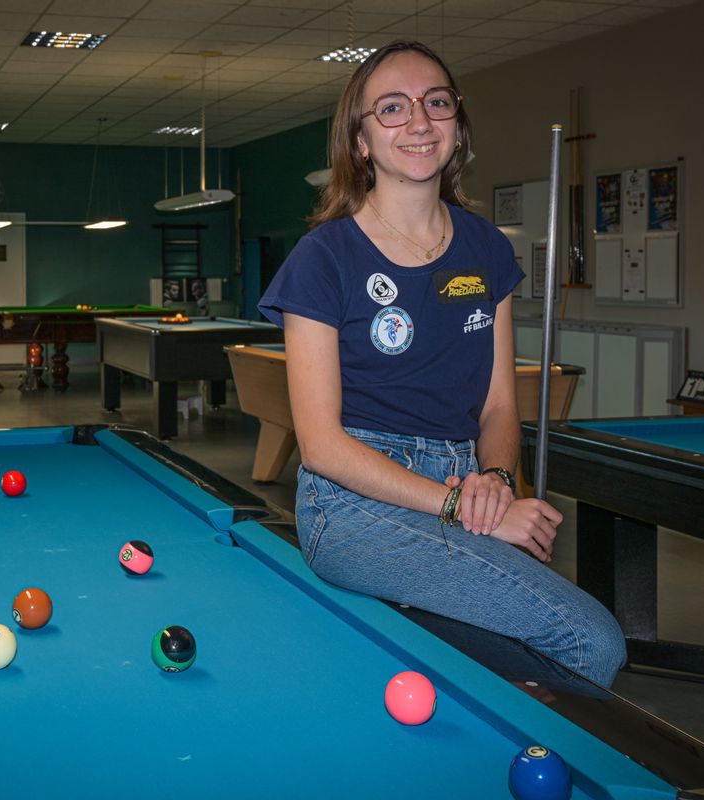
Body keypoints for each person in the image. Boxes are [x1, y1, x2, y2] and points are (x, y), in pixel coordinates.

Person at [257, 41, 626, 687]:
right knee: (589, 643)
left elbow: (499, 404)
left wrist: (495, 481)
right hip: (352, 505)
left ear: (457, 123)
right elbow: (321, 447)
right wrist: (461, 504)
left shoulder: (486, 248)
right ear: (361, 141)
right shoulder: (323, 257)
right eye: (392, 108)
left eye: (436, 102)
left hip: (464, 479)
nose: (419, 121)